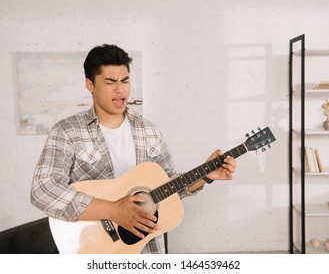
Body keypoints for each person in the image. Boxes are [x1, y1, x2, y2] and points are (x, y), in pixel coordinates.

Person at [30, 44, 236, 254]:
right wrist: (113, 210)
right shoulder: (67, 131)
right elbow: (42, 189)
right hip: (94, 249)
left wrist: (205, 175)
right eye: (110, 82)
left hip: (149, 250)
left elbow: (168, 188)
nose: (120, 90)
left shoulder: (149, 131)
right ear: (90, 85)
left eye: (125, 81)